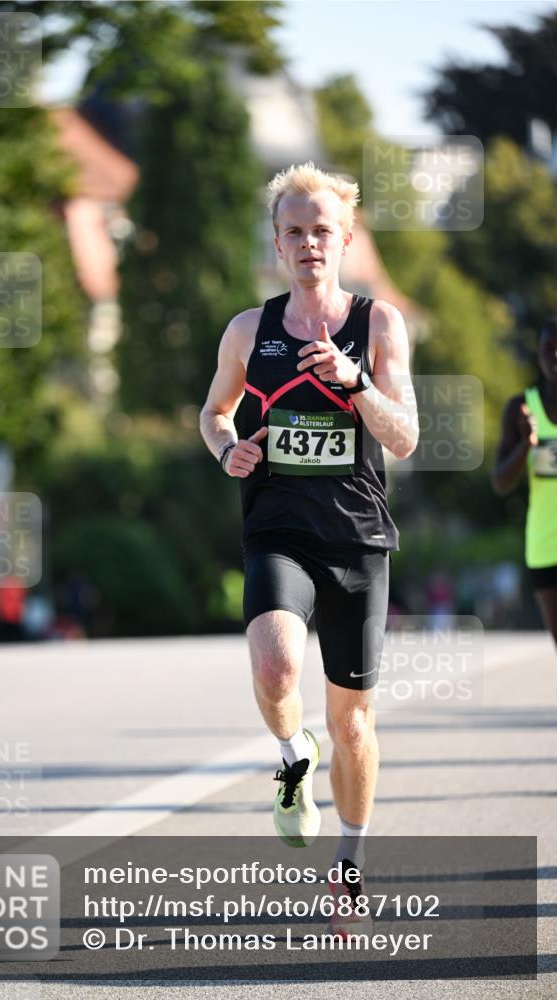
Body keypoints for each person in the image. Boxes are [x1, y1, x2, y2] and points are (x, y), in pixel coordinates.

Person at [200, 163, 418, 907]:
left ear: (345, 239)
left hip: (356, 539)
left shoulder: (378, 324)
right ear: (277, 243)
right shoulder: (246, 330)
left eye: (321, 230)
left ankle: (348, 863)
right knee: (274, 667)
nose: (308, 244)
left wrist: (355, 383)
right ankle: (292, 755)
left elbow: (408, 436)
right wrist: (227, 449)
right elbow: (213, 413)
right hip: (276, 530)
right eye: (293, 232)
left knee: (352, 720)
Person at [491, 317, 557, 644]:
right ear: (539, 353)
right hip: (545, 545)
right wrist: (525, 445)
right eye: (548, 349)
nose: (555, 356)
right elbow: (500, 483)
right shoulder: (521, 408)